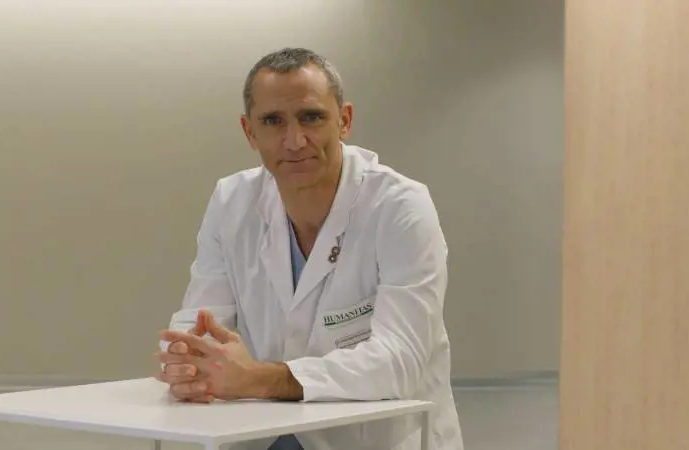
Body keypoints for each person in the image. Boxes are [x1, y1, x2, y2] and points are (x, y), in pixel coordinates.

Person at [156, 47, 464, 450]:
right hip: (262, 434)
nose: (294, 140)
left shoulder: (399, 206)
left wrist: (258, 378)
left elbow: (400, 361)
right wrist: (186, 359)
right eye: (273, 121)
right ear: (249, 132)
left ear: (344, 120)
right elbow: (200, 319)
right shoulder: (232, 201)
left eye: (311, 117)